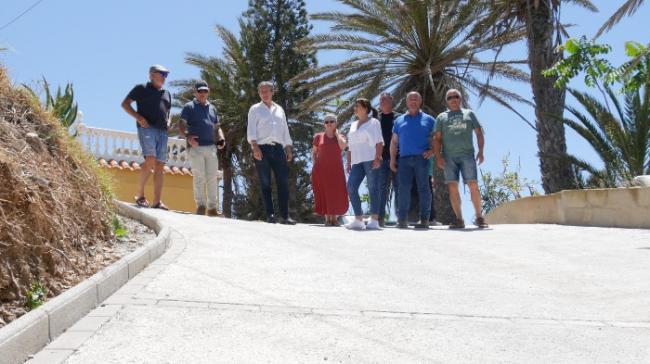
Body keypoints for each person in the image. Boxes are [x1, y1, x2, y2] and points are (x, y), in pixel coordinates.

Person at [433, 89, 488, 229]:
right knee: (452, 187)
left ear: (460, 99)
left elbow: (479, 133)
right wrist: (438, 156)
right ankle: (459, 219)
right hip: (449, 157)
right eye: (450, 97)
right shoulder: (441, 117)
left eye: (456, 96)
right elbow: (437, 138)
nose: (453, 99)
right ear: (447, 101)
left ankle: (479, 217)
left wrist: (481, 152)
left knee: (473, 184)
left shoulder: (469, 114)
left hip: (467, 155)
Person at [121, 64, 172, 210]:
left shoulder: (167, 93)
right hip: (147, 128)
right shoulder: (141, 88)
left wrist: (168, 121)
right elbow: (125, 104)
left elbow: (168, 112)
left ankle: (157, 201)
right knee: (150, 159)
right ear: (151, 75)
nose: (164, 77)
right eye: (161, 74)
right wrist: (138, 117)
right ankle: (140, 195)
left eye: (165, 75)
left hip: (163, 131)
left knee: (160, 165)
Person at [247, 81, 296, 225]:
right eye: (261, 91)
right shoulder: (255, 109)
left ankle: (285, 216)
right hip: (262, 149)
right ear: (259, 93)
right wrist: (254, 147)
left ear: (272, 92)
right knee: (265, 183)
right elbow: (251, 130)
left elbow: (285, 129)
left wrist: (288, 147)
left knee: (283, 182)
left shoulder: (279, 109)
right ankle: (270, 215)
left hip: (279, 149)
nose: (264, 94)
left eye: (267, 91)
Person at [178, 81, 225, 217]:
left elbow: (217, 126)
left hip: (211, 147)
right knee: (199, 176)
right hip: (195, 147)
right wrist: (188, 137)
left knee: (211, 177)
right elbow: (181, 124)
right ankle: (201, 206)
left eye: (205, 91)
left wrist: (221, 138)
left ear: (208, 91)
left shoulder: (212, 108)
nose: (203, 93)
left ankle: (212, 209)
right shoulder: (189, 107)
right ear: (195, 93)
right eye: (200, 91)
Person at [390, 91, 435, 229]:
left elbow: (437, 138)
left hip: (422, 159)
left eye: (416, 99)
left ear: (420, 101)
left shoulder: (429, 119)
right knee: (403, 189)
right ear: (407, 102)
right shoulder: (399, 121)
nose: (413, 101)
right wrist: (392, 159)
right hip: (403, 159)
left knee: (424, 188)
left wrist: (433, 150)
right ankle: (402, 219)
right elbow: (393, 142)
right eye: (410, 99)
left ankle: (424, 219)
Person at [346, 98, 384, 230]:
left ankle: (374, 220)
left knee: (373, 188)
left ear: (366, 108)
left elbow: (379, 142)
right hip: (356, 161)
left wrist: (377, 158)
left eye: (358, 106)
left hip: (370, 158)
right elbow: (350, 146)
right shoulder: (353, 124)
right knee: (351, 187)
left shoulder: (373, 122)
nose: (355, 108)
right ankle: (358, 219)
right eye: (355, 106)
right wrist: (348, 161)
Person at [311, 114, 349, 226]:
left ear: (336, 123)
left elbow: (343, 147)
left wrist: (336, 134)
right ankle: (328, 218)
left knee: (335, 192)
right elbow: (314, 153)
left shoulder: (341, 136)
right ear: (324, 124)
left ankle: (334, 217)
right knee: (324, 192)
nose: (329, 124)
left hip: (336, 170)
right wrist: (314, 167)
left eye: (331, 121)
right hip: (321, 170)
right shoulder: (318, 137)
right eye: (326, 122)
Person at [376, 93, 402, 227]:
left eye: (385, 99)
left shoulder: (399, 118)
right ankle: (379, 218)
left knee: (399, 188)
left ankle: (400, 218)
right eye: (380, 100)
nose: (382, 102)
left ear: (392, 101)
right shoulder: (376, 119)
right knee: (381, 189)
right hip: (381, 160)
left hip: (398, 159)